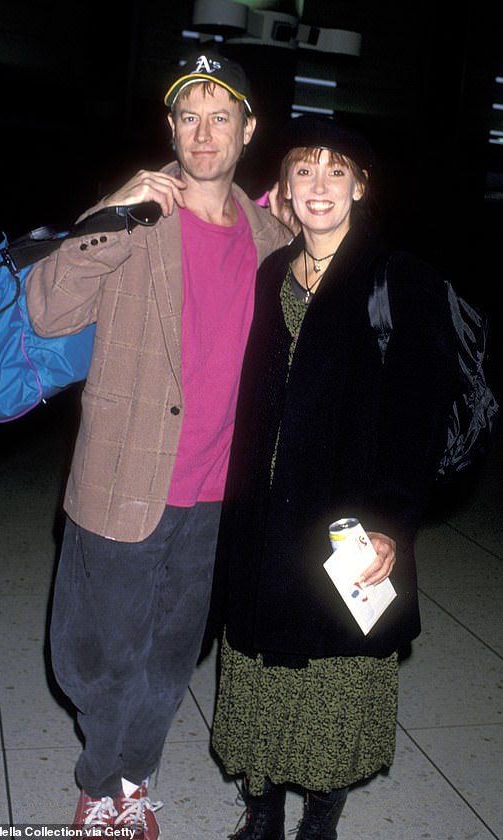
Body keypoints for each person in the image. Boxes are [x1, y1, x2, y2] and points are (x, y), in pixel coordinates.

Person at [26, 52, 290, 839]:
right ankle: (98, 783)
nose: (202, 133)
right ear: (170, 128)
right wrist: (110, 206)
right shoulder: (137, 216)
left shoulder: (270, 234)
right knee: (100, 658)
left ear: (248, 129)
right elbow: (48, 311)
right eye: (187, 116)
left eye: (220, 116)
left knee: (172, 656)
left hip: (220, 495)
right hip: (125, 478)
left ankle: (131, 782)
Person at [208, 115, 463, 839]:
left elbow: (420, 414)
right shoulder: (270, 274)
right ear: (283, 186)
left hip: (347, 519)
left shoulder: (397, 279)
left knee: (334, 673)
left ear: (360, 185)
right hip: (263, 513)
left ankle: (320, 816)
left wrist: (390, 517)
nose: (319, 184)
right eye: (304, 169)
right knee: (257, 667)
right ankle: (261, 813)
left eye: (335, 169)